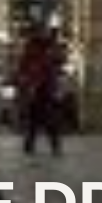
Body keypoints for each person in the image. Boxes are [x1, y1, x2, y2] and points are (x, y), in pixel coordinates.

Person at [15, 28, 69, 156]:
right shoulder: (39, 53)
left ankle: (33, 145)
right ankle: (48, 146)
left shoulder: (38, 53)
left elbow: (56, 66)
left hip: (41, 91)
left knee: (39, 120)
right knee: (44, 120)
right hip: (40, 91)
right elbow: (25, 71)